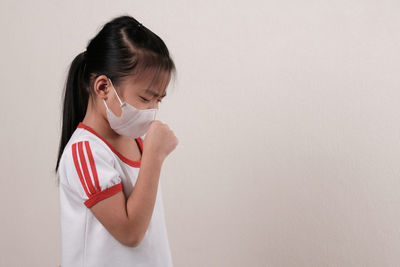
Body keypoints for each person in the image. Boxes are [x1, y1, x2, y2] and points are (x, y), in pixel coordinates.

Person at [54, 15, 179, 267]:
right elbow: (130, 233)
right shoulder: (85, 151)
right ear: (103, 87)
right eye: (145, 99)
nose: (153, 110)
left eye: (158, 100)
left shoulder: (134, 140)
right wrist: (154, 156)